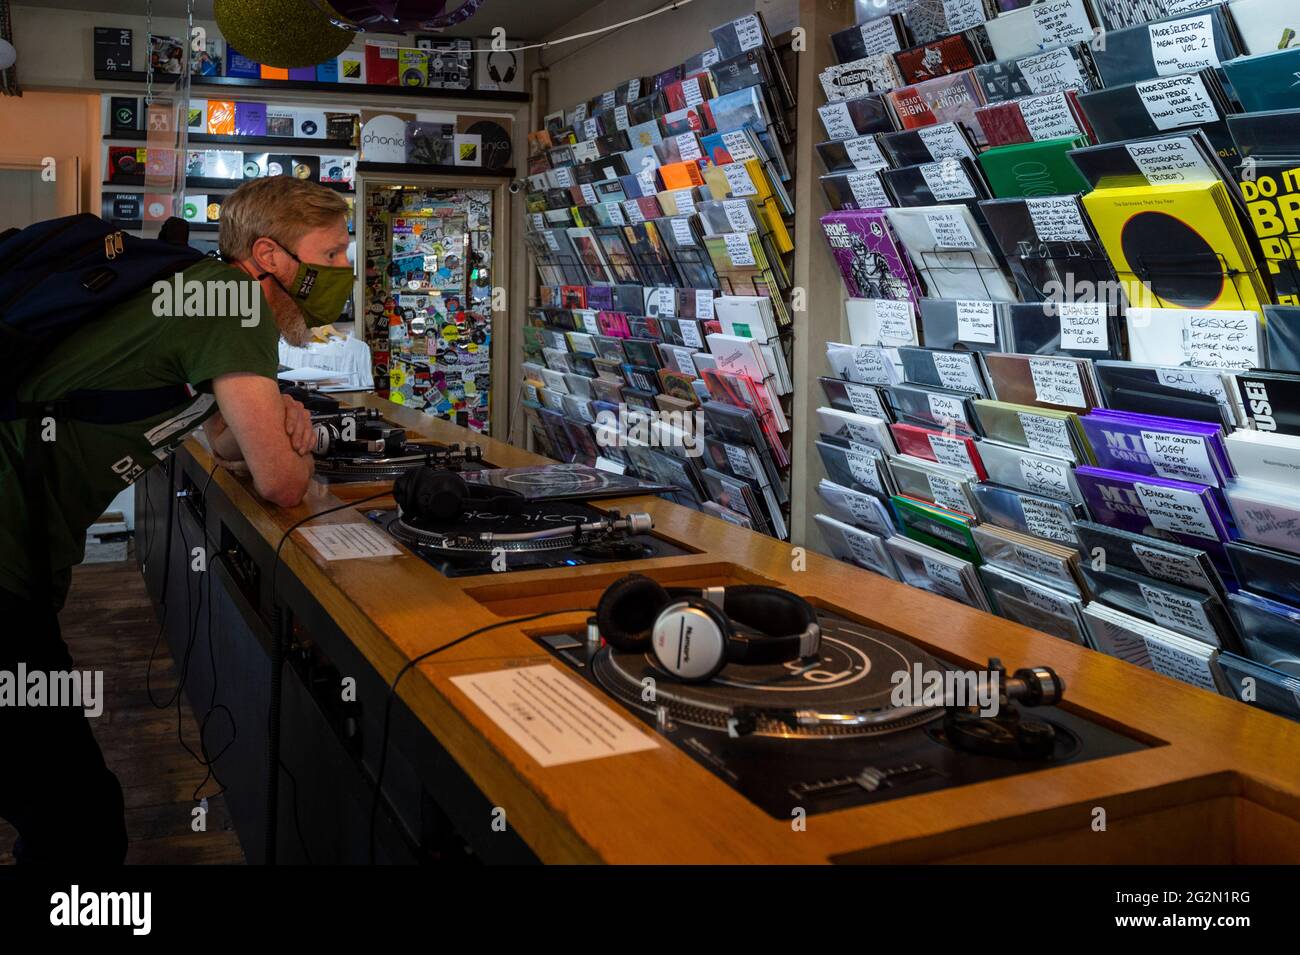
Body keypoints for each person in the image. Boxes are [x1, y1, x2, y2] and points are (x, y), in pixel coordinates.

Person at [0, 176, 355, 864]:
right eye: (334, 252)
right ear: (271, 255)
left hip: (20, 560)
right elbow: (282, 481)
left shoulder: (205, 289)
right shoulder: (234, 307)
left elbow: (222, 437)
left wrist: (273, 421)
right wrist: (297, 450)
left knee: (58, 802)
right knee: (78, 825)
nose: (344, 270)